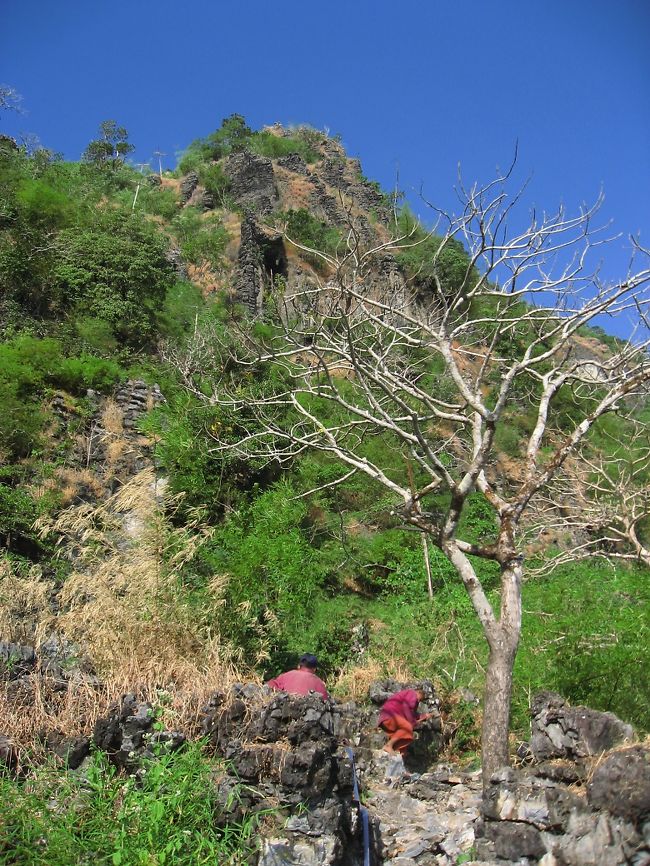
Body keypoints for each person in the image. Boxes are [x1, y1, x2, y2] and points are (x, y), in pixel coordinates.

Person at [378, 687, 431, 755]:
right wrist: (412, 722)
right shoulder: (412, 694)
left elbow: (412, 713)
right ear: (418, 692)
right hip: (390, 716)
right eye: (419, 699)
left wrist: (424, 716)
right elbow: (406, 707)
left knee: (403, 739)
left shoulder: (409, 697)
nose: (418, 701)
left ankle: (398, 752)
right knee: (407, 727)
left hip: (387, 718)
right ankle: (388, 746)